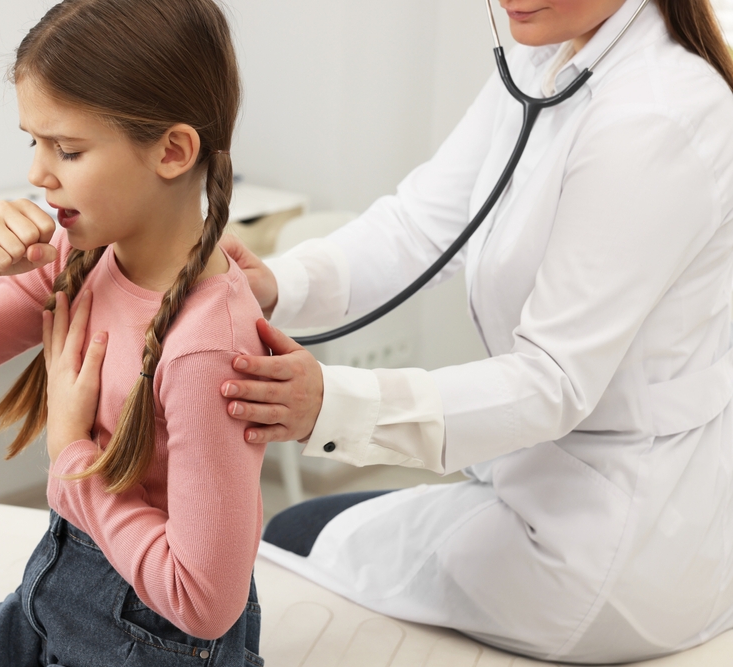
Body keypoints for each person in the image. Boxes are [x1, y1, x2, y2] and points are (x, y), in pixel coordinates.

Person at [217, 0, 733, 663]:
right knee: (294, 534)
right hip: (540, 482)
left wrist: (332, 405)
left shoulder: (658, 116)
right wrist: (279, 284)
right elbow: (421, 225)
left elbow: (552, 379)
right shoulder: (546, 58)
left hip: (614, 542)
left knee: (290, 539)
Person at [0, 1, 266, 666]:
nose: (38, 174)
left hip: (149, 647)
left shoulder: (206, 347)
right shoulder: (80, 257)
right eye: (32, 143)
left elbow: (205, 601)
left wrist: (72, 456)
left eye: (67, 149)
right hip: (52, 605)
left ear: (173, 151)